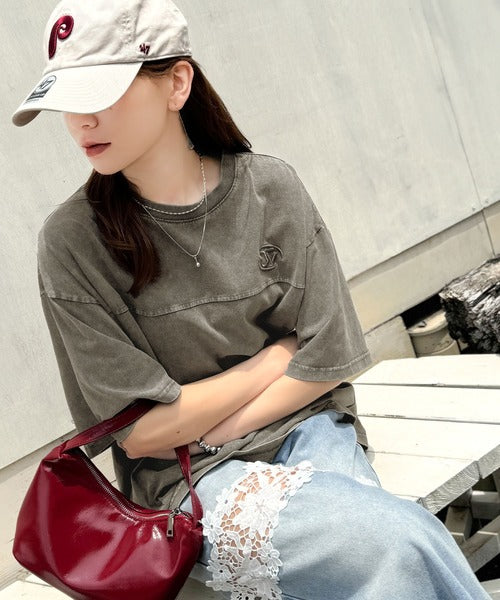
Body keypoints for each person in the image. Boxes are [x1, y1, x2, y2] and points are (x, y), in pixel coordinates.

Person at [13, 1, 490, 599]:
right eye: (66, 102)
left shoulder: (270, 190)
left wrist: (204, 422)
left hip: (311, 431)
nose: (81, 121)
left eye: (100, 94)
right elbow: (140, 432)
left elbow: (328, 360)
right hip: (187, 480)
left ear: (177, 83)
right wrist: (272, 360)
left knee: (387, 548)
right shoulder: (73, 243)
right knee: (395, 541)